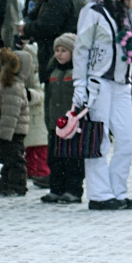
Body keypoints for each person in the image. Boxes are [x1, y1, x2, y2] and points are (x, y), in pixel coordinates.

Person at [72, 0, 132, 210]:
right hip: (98, 82)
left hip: (121, 84)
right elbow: (81, 48)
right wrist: (80, 84)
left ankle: (118, 190)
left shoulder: (125, 13)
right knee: (99, 139)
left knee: (127, 139)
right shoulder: (93, 11)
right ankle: (99, 194)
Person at [41, 33, 85, 204]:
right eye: (57, 50)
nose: (59, 54)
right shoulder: (52, 72)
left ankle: (73, 190)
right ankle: (56, 188)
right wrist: (49, 120)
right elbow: (48, 99)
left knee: (73, 160)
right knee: (55, 158)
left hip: (73, 127)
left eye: (64, 50)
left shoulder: (77, 74)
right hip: (55, 125)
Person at [0, 47, 32, 196]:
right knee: (8, 159)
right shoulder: (9, 85)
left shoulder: (14, 87)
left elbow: (11, 114)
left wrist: (4, 133)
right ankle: (6, 184)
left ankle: (17, 186)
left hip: (12, 131)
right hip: (8, 130)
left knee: (15, 159)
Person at [19, 42, 50, 187]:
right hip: (30, 118)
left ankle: (42, 172)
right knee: (30, 149)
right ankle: (32, 171)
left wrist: (30, 95)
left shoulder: (39, 75)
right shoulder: (24, 76)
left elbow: (42, 94)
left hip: (38, 118)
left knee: (40, 148)